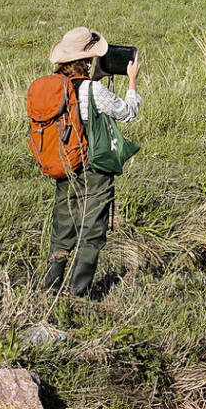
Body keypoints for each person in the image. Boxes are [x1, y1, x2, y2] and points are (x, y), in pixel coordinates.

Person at [39, 27, 140, 298]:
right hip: (94, 166)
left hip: (64, 163)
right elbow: (127, 113)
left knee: (64, 224)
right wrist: (132, 82)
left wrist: (94, 79)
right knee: (92, 228)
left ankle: (49, 287)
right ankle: (77, 292)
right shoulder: (94, 90)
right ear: (86, 59)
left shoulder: (53, 86)